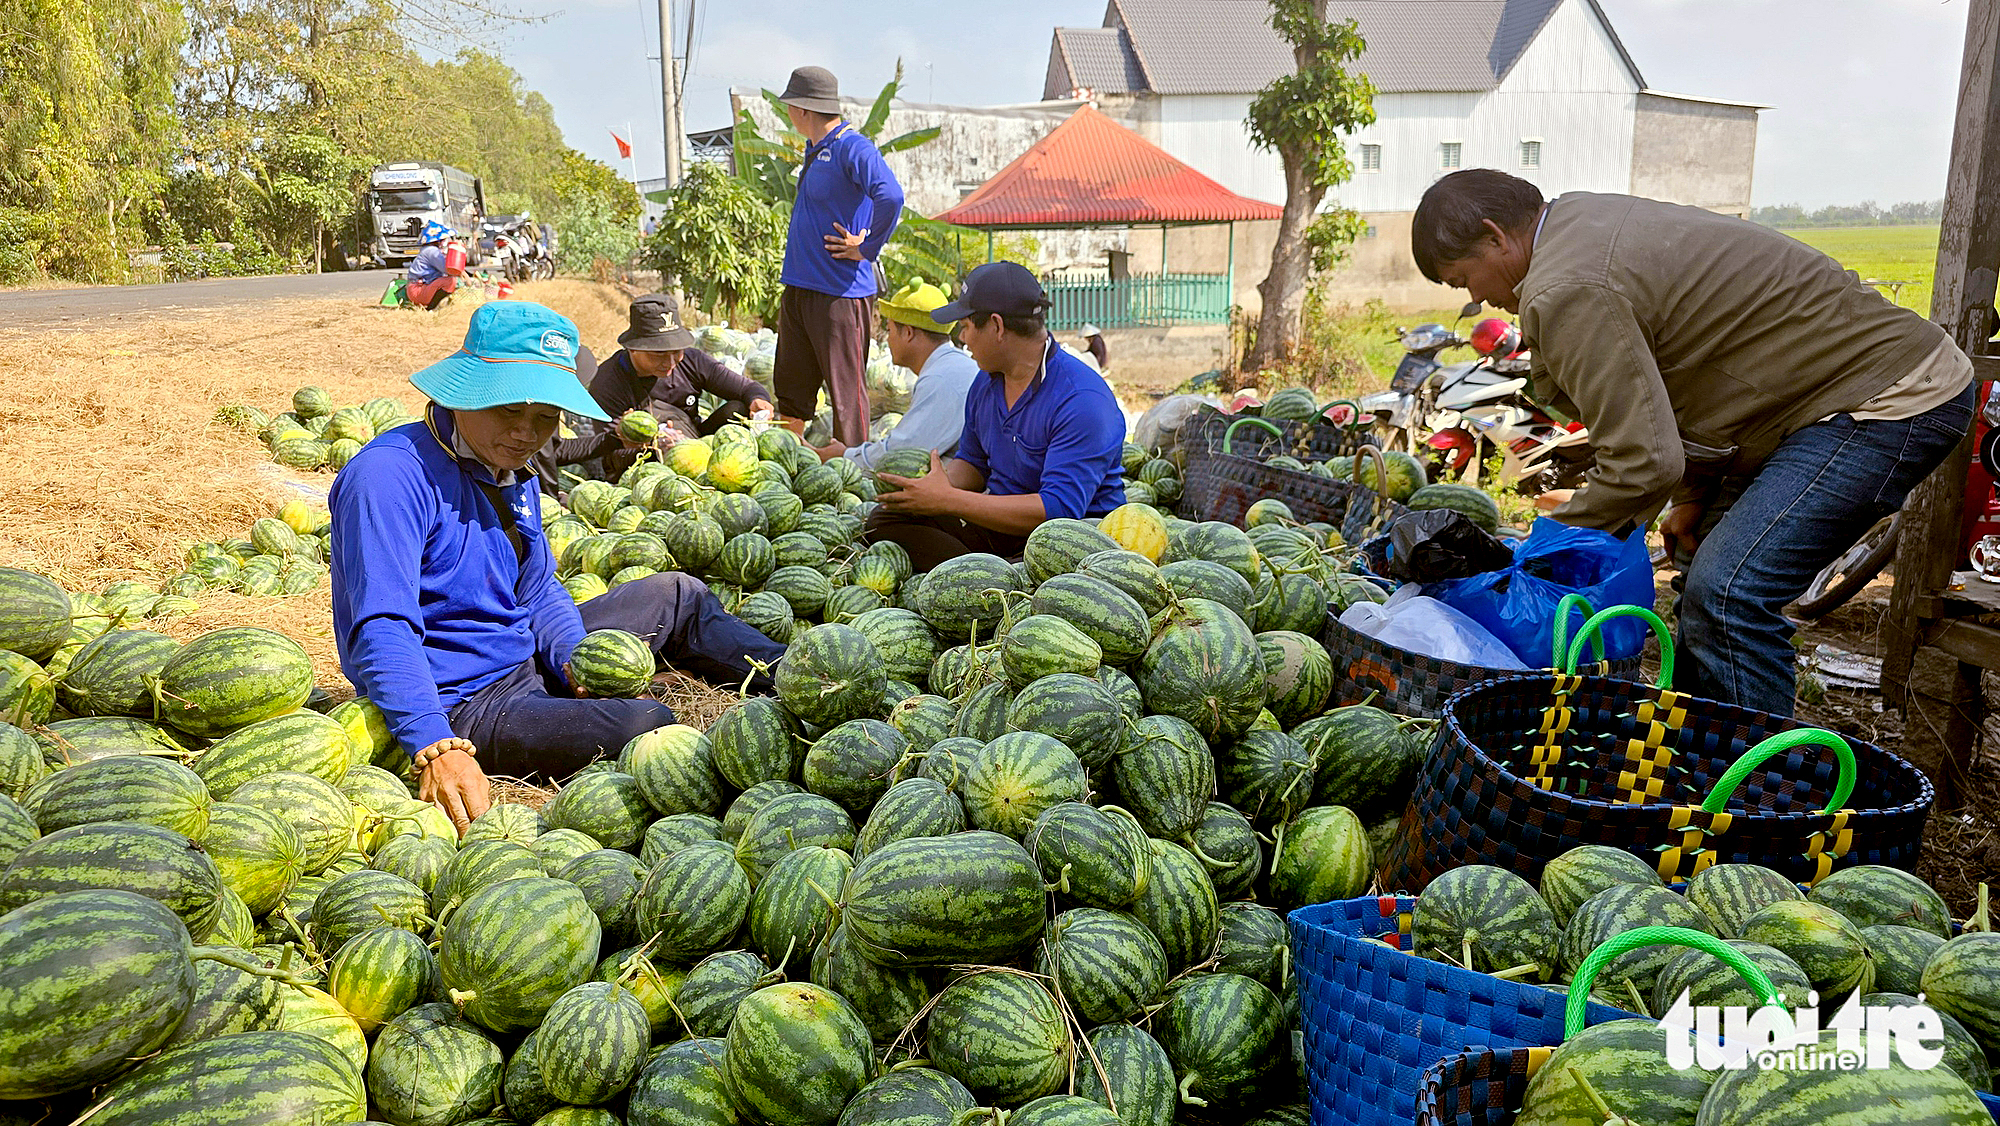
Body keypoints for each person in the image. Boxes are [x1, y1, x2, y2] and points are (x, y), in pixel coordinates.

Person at [1410, 168, 1974, 717]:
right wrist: (1691, 497)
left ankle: (1760, 797)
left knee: (1728, 594)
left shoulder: (1566, 285)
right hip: (1806, 404)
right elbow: (1688, 375)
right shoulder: (1575, 222)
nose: (1478, 300)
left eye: (1464, 281)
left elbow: (1642, 461)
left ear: (1494, 236)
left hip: (1886, 397)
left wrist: (1542, 549)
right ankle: (1689, 759)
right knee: (1702, 570)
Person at [329, 300, 788, 830]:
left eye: (546, 417)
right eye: (509, 410)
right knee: (648, 725)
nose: (527, 432)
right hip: (466, 698)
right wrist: (433, 741)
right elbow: (382, 626)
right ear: (464, 392)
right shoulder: (390, 478)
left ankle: (800, 681)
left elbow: (539, 588)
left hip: (521, 647)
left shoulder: (508, 466)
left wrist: (576, 658)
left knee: (677, 594)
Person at [867, 262, 1127, 572]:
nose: (963, 339)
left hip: (1073, 545)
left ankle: (995, 577)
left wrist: (948, 500)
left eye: (965, 326)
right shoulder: (985, 382)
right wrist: (931, 487)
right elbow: (974, 463)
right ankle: (994, 574)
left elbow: (1058, 512)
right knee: (885, 520)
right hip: (1003, 527)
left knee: (1048, 550)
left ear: (996, 327)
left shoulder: (1083, 401)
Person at [772, 65, 906, 448]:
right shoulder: (816, 148)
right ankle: (783, 461)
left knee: (845, 397)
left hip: (839, 294)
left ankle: (854, 480)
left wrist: (865, 249)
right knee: (792, 390)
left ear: (802, 110)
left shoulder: (853, 147)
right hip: (800, 286)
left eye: (790, 107)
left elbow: (891, 196)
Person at [542, 294, 774, 482]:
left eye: (677, 351)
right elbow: (613, 453)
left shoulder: (692, 360)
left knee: (737, 409)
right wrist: (654, 445)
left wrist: (758, 399)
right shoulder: (609, 381)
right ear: (633, 348)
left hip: (697, 443)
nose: (671, 362)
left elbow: (747, 388)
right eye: (659, 355)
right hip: (643, 461)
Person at [813, 279, 977, 470]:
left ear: (908, 333)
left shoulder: (941, 378)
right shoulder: (947, 366)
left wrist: (844, 456)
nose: (888, 339)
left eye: (889, 330)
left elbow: (902, 455)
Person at [403, 221, 468, 310]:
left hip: (419, 288)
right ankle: (432, 308)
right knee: (450, 281)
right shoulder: (432, 251)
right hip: (418, 290)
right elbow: (448, 270)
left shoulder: (429, 250)